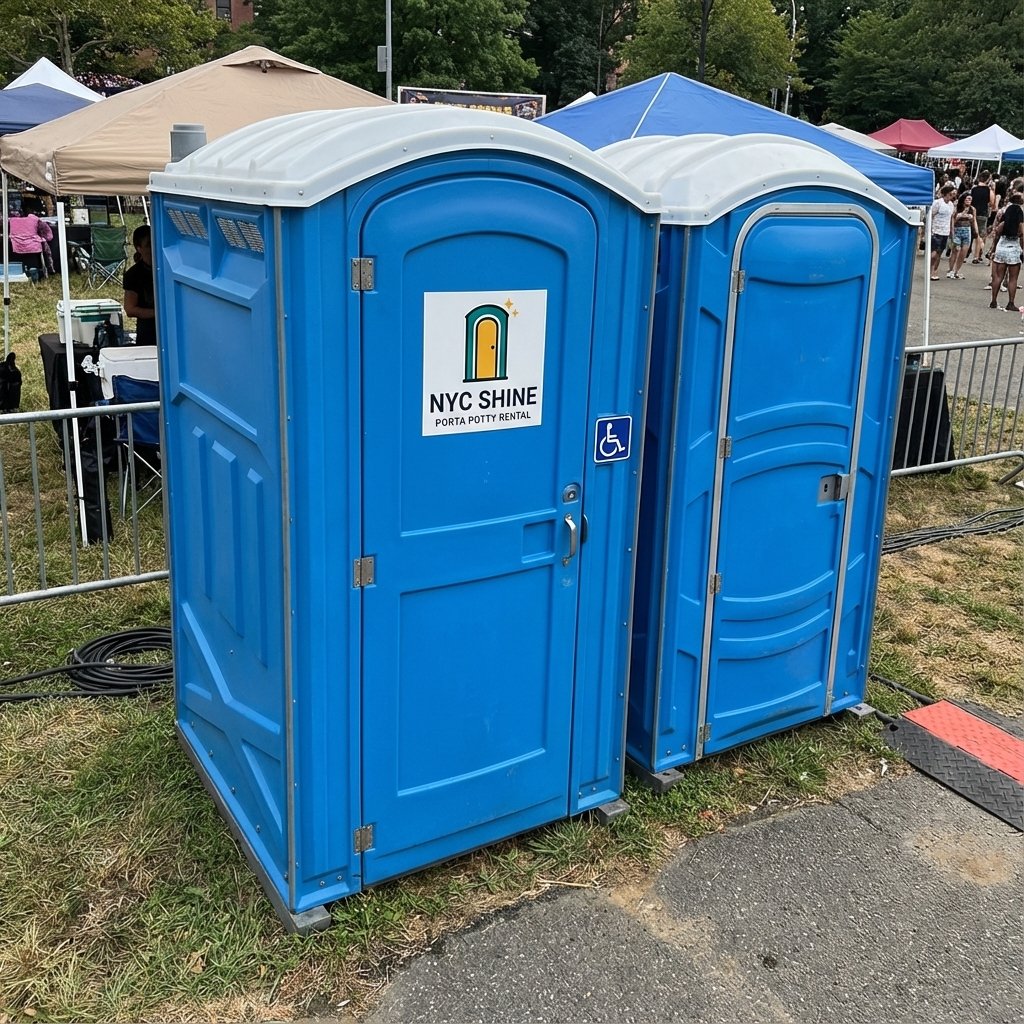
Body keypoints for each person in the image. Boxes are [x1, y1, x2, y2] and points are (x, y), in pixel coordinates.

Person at [988, 191, 1023, 312]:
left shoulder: (1005, 213)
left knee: (998, 276)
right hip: (1013, 246)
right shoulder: (1019, 213)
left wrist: (993, 248)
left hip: (1002, 246)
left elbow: (998, 231)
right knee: (1013, 278)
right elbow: (1022, 232)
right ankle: (1011, 303)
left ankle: (993, 301)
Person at [122, 224, 156, 346]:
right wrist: (158, 313)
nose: (154, 247)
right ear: (139, 248)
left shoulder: (167, 270)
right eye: (149, 244)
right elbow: (130, 309)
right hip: (149, 333)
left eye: (156, 241)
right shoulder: (133, 275)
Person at [8, 200, 53, 282]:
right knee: (34, 261)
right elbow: (48, 233)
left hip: (15, 246)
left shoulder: (11, 220)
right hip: (33, 247)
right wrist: (45, 239)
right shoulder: (36, 220)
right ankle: (35, 274)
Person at [946, 193, 977, 279]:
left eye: (970, 199)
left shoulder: (972, 209)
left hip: (967, 231)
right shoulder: (957, 208)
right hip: (957, 230)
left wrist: (976, 231)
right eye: (967, 199)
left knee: (964, 252)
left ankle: (957, 270)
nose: (968, 201)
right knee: (955, 250)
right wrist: (952, 231)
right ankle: (951, 269)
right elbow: (953, 220)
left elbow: (974, 221)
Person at [929, 184, 956, 281]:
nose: (952, 196)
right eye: (950, 194)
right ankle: (930, 269)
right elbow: (932, 215)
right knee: (934, 253)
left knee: (940, 252)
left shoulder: (951, 205)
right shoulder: (938, 203)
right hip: (936, 230)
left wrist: (952, 231)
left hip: (945, 231)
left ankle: (934, 270)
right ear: (946, 194)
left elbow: (951, 218)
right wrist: (930, 229)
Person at [970, 171, 995, 263]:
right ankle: (976, 256)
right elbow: (992, 203)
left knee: (971, 234)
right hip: (983, 214)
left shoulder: (974, 189)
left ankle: (966, 254)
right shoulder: (989, 190)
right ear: (988, 179)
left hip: (972, 213)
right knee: (980, 235)